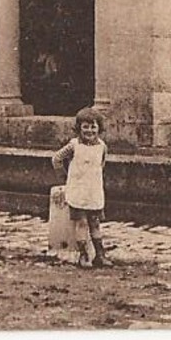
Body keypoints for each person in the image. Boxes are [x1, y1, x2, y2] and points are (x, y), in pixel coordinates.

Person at [52, 107, 109, 268]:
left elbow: (101, 165)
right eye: (85, 127)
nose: (89, 131)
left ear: (99, 128)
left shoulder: (102, 147)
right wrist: (65, 177)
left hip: (94, 191)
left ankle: (100, 254)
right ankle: (84, 255)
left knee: (95, 223)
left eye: (93, 127)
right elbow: (56, 159)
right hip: (78, 190)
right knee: (82, 223)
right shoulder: (74, 145)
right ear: (79, 128)